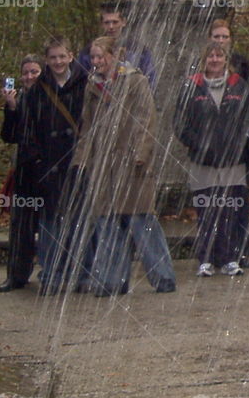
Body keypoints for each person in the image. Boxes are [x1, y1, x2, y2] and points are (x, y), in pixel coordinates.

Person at [73, 37, 176, 295]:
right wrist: (82, 159)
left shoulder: (135, 81)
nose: (97, 62)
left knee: (142, 222)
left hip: (132, 166)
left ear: (114, 55)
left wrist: (140, 154)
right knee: (107, 225)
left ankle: (163, 277)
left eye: (101, 57)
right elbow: (86, 126)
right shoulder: (92, 87)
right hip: (103, 167)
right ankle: (111, 280)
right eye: (93, 58)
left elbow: (146, 120)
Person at [175, 42, 249, 276]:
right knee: (206, 209)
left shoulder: (239, 86)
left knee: (231, 209)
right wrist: (200, 146)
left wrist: (238, 145)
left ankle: (230, 257)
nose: (214, 59)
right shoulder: (191, 87)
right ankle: (206, 257)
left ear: (226, 59)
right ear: (204, 59)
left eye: (219, 55)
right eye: (210, 55)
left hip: (233, 162)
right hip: (203, 162)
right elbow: (180, 124)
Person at [18, 36, 88, 295]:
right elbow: (28, 130)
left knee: (78, 221)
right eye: (53, 58)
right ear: (46, 60)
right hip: (49, 165)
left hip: (77, 161)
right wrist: (37, 161)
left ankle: (79, 273)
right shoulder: (38, 90)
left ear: (71, 56)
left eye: (62, 56)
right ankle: (52, 274)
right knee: (50, 224)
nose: (58, 62)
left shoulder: (84, 84)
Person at [207, 19, 249, 267]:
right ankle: (216, 251)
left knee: (238, 201)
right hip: (210, 149)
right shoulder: (203, 66)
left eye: (224, 37)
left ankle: (239, 250)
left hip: (239, 149)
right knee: (211, 200)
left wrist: (244, 138)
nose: (220, 41)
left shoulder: (241, 64)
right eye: (216, 37)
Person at [0, 54, 44, 292]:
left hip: (47, 169)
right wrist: (12, 108)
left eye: (34, 72)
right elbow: (9, 136)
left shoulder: (50, 98)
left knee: (48, 224)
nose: (29, 77)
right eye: (25, 73)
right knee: (20, 226)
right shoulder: (20, 99)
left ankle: (51, 272)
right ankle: (16, 274)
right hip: (25, 169)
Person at [78, 1, 156, 88]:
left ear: (123, 22)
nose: (111, 27)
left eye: (115, 22)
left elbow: (150, 81)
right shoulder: (88, 52)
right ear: (101, 24)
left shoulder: (139, 51)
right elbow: (82, 83)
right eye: (107, 23)